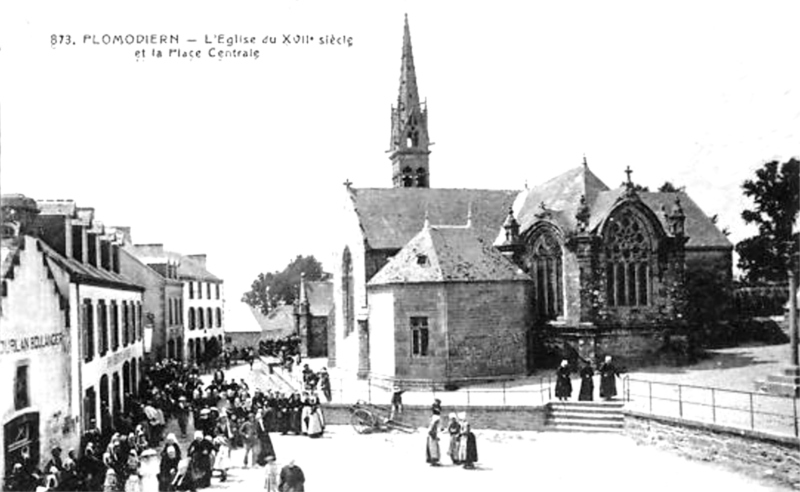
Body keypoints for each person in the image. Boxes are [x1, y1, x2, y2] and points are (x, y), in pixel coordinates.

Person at [426, 402, 442, 466]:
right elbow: (433, 427)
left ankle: (433, 460)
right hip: (433, 434)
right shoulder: (436, 418)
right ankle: (433, 461)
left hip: (432, 433)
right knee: (433, 448)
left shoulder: (434, 417)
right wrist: (434, 435)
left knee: (433, 447)